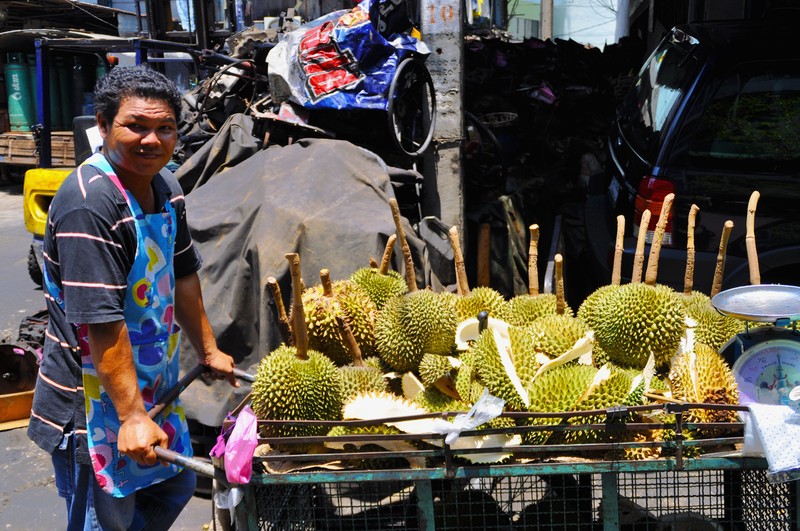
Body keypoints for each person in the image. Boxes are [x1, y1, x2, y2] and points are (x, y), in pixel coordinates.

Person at [27, 65, 239, 530]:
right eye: (135, 126)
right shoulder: (91, 203)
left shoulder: (167, 188)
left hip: (153, 383)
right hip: (94, 404)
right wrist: (130, 416)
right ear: (102, 127)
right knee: (106, 520)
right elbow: (101, 322)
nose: (152, 140)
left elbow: (183, 275)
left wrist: (208, 349)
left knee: (176, 485)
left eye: (164, 128)